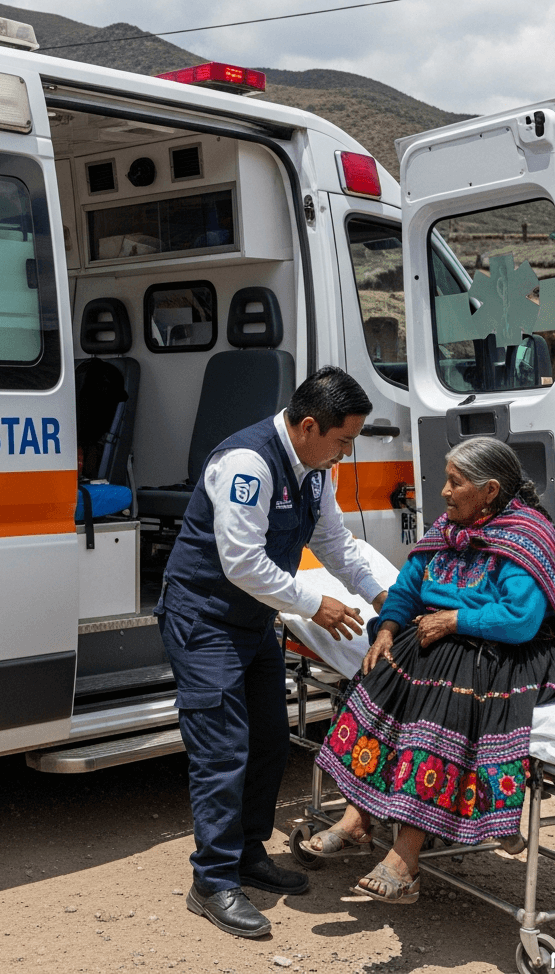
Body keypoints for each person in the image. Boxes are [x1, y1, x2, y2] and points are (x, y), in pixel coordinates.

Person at [300, 438, 555, 903]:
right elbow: (408, 585)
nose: (443, 492)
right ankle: (357, 817)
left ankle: (406, 859)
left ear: (490, 491)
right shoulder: (449, 527)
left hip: (514, 651)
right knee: (383, 671)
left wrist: (455, 619)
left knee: (444, 690)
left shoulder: (527, 536)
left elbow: (519, 620)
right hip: (448, 638)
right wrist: (388, 627)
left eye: (455, 483)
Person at [155, 366, 388, 938]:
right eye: (343, 440)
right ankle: (211, 881)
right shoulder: (247, 463)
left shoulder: (313, 469)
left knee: (267, 741)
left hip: (251, 620)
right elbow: (242, 562)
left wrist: (391, 597)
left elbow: (335, 542)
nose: (346, 452)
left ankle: (248, 855)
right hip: (204, 617)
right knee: (222, 750)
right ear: (309, 426)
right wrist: (317, 605)